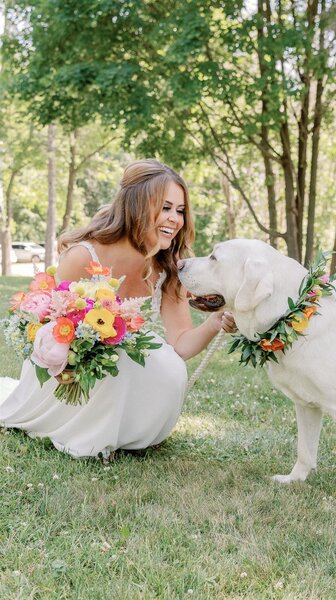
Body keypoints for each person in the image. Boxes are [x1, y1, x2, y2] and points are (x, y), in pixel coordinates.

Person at [0, 159, 236, 458]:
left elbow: (180, 344)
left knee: (158, 359)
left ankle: (134, 432)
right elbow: (52, 329)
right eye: (165, 208)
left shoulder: (167, 269)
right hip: (67, 370)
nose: (175, 219)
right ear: (137, 205)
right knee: (120, 355)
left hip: (115, 375)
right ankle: (88, 433)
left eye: (180, 210)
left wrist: (214, 322)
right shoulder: (83, 255)